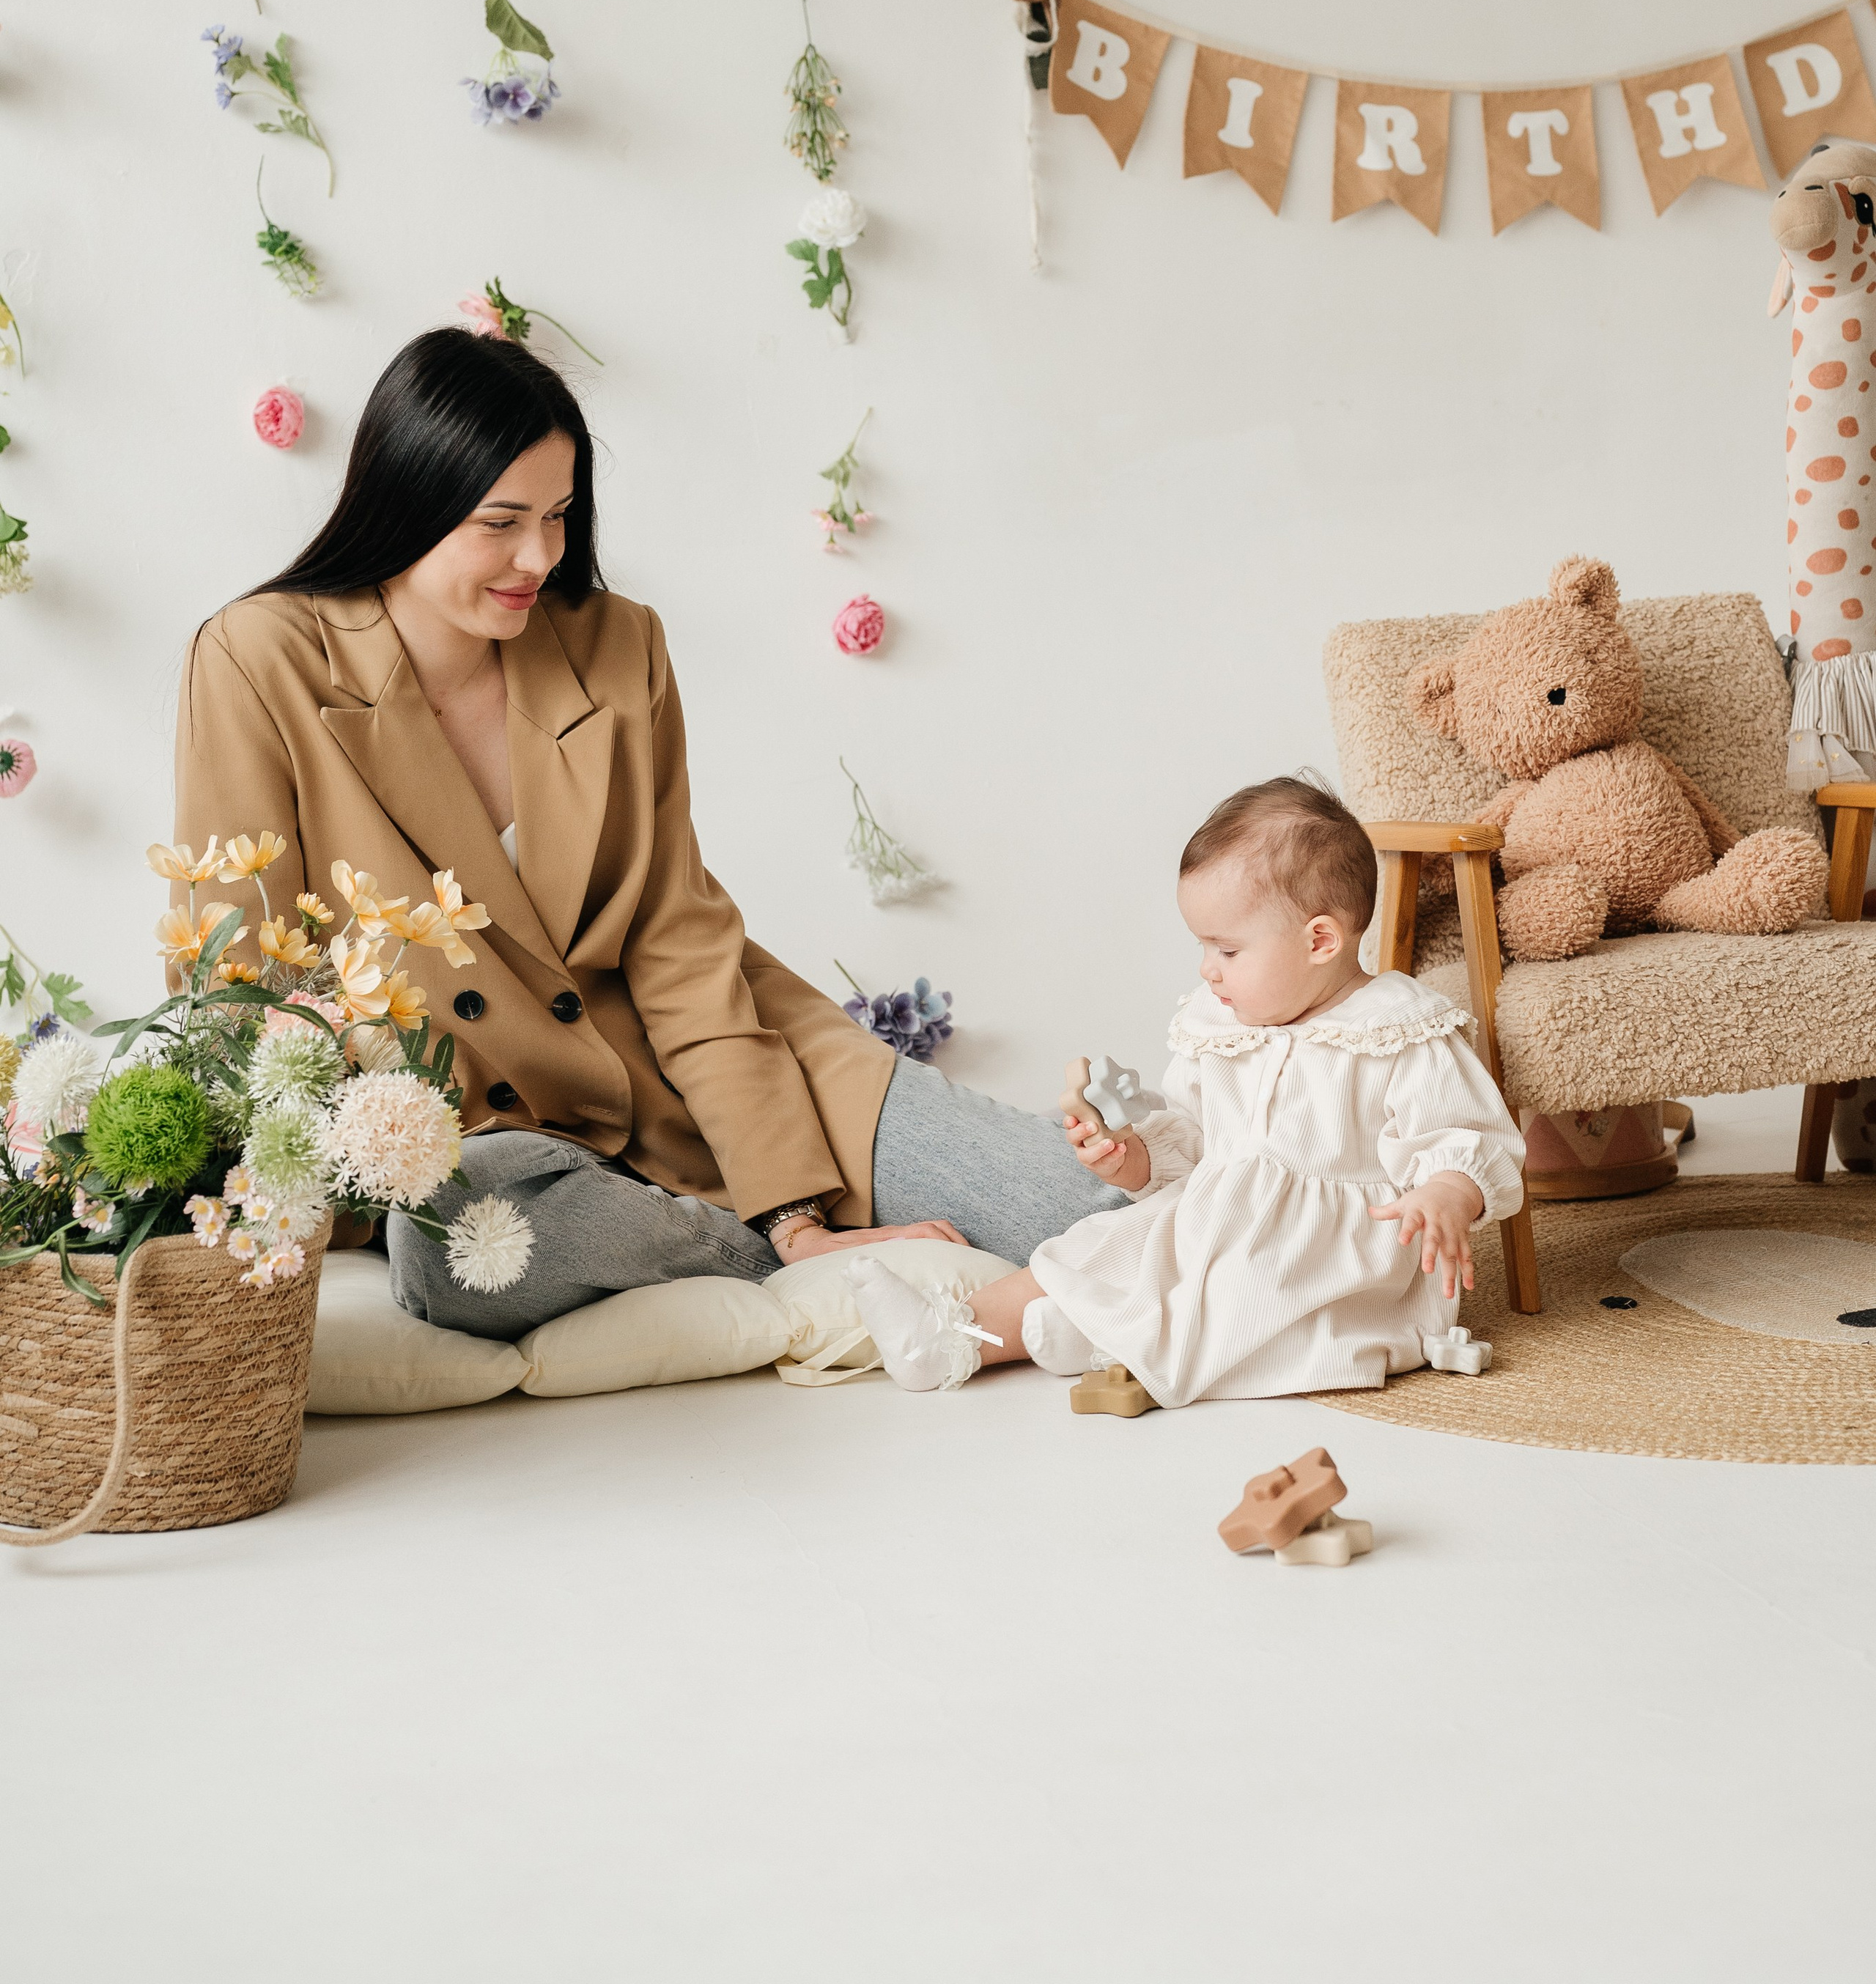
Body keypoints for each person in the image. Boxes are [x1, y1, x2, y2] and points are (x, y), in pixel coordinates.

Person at [174, 327, 1122, 1339]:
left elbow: (677, 935)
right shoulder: (258, 659)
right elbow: (238, 982)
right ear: (407, 502)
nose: (540, 556)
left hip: (719, 1077)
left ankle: (784, 1239)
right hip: (481, 1140)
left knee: (1084, 1216)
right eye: (502, 523)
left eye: (558, 515)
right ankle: (746, 1254)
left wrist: (798, 1208)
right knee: (460, 1244)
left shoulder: (618, 643)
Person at [846, 775, 1526, 1403]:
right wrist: (1129, 1157)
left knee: (1234, 1303)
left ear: (1321, 940)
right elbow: (1192, 1145)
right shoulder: (1219, 1029)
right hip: (1210, 1215)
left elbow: (1467, 1136)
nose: (1208, 970)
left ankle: (1093, 1338)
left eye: (1228, 950)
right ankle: (951, 1337)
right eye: (1203, 947)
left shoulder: (1398, 1029)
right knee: (1092, 1251)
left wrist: (1445, 1193)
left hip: (1322, 1258)